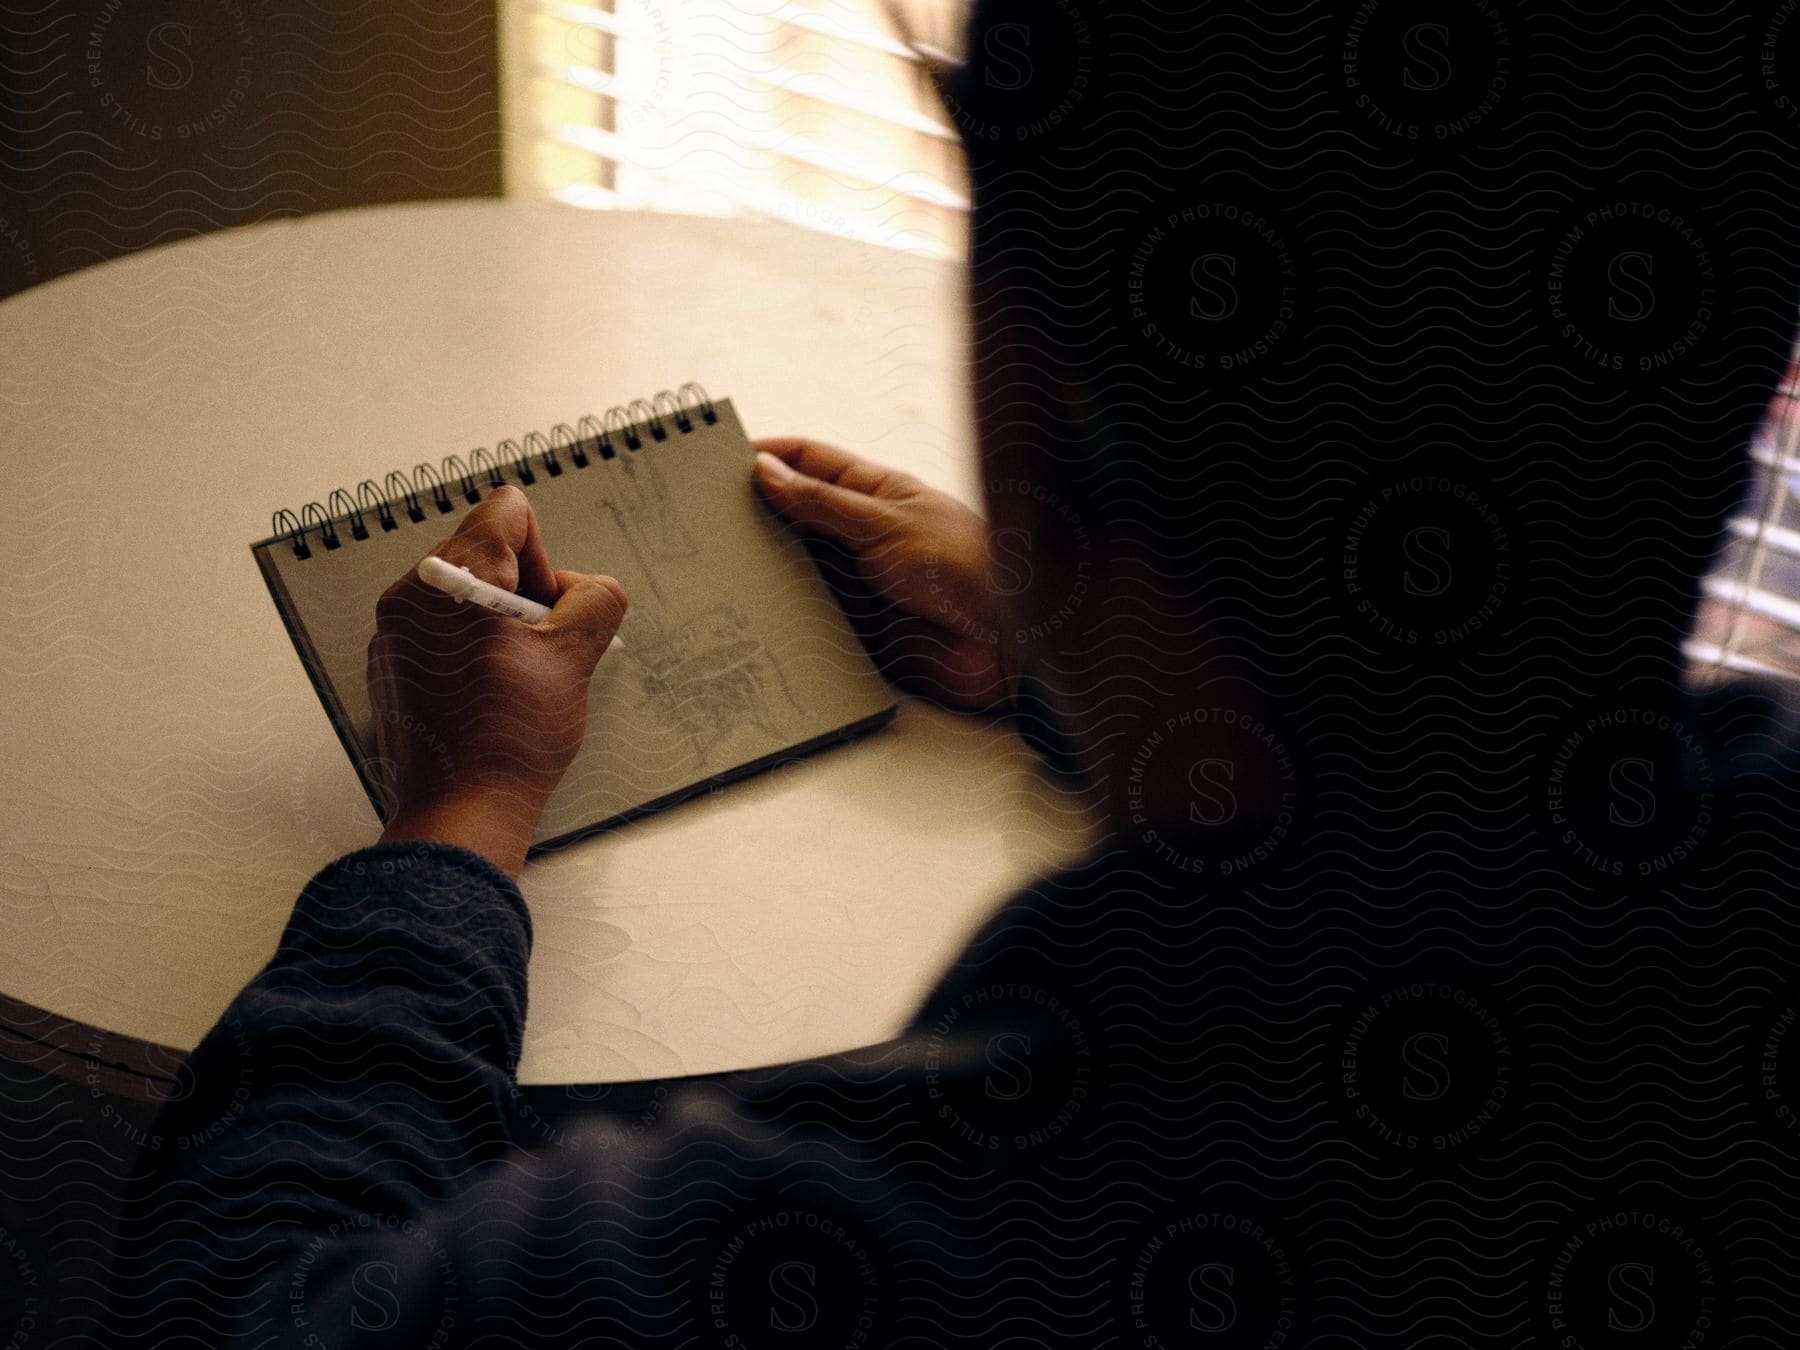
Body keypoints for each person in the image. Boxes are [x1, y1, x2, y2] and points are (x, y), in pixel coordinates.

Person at [101, 0, 1800, 1345]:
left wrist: (453, 822)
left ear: (1031, 423)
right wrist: (1081, 651)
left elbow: (235, 1314)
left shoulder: (860, 1253)